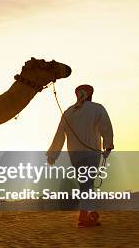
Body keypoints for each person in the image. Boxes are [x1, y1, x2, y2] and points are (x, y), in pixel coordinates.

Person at [46, 84, 114, 227]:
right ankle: (86, 216)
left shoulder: (68, 112)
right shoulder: (97, 108)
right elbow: (106, 127)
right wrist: (108, 145)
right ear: (90, 94)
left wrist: (53, 155)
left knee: (85, 184)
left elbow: (59, 134)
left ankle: (85, 214)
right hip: (91, 153)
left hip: (75, 156)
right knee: (87, 184)